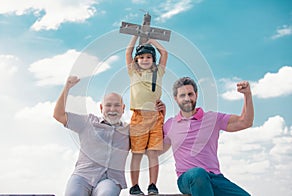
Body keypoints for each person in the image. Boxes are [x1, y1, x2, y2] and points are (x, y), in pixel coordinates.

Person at [161, 77, 254, 196]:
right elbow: (158, 149)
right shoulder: (170, 124)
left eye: (190, 94)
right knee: (198, 174)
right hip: (187, 178)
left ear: (196, 95)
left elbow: (245, 122)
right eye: (182, 95)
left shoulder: (212, 119)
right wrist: (159, 119)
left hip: (215, 178)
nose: (187, 98)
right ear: (176, 99)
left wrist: (247, 95)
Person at [53, 75, 129, 196]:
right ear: (101, 108)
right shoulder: (88, 122)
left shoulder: (129, 130)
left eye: (117, 105)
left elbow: (151, 140)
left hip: (110, 179)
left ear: (123, 108)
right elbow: (58, 115)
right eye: (108, 105)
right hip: (83, 176)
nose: (112, 109)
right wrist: (67, 87)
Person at [125, 35, 168, 195]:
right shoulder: (133, 72)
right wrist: (135, 35)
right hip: (138, 117)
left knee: (152, 153)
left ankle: (152, 185)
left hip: (156, 117)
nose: (145, 59)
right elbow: (128, 53)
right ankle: (135, 185)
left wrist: (151, 41)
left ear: (153, 59)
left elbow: (164, 53)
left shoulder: (159, 72)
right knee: (136, 153)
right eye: (141, 57)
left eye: (148, 57)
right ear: (136, 60)